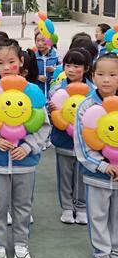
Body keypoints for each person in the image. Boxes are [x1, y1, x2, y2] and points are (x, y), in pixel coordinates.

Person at [0, 39, 50, 258]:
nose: (6, 67)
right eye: (0, 62)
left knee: (24, 205)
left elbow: (44, 125)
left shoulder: (32, 92)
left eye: (11, 61)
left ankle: (21, 244)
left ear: (21, 62)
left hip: (25, 162)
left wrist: (28, 146)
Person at [74, 53, 118, 258]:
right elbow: (81, 144)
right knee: (98, 215)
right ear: (92, 76)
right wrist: (102, 165)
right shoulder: (85, 106)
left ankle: (117, 254)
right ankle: (102, 255)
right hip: (97, 176)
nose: (106, 80)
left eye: (113, 74)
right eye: (101, 74)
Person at [49, 48, 94, 225]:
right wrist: (51, 109)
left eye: (76, 66)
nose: (71, 69)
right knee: (65, 176)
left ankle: (81, 207)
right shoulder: (57, 89)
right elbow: (48, 111)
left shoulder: (93, 91)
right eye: (67, 65)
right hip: (63, 141)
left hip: (86, 143)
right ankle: (67, 208)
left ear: (86, 68)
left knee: (82, 176)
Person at [34, 32, 60, 97]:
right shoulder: (33, 56)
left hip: (53, 92)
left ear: (49, 42)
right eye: (37, 40)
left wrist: (54, 69)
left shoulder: (56, 55)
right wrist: (37, 77)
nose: (40, 43)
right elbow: (28, 73)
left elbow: (63, 70)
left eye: (43, 40)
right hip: (38, 92)